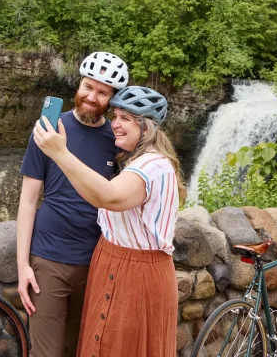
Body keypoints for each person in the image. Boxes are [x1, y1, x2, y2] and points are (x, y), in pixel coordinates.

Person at [32, 85, 184, 357]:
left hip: (137, 274)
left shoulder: (153, 165)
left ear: (146, 129)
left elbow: (109, 197)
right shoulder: (135, 161)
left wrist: (60, 153)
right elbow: (95, 194)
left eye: (125, 119)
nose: (115, 125)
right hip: (111, 263)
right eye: (115, 117)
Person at [17, 51, 130, 357]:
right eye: (87, 87)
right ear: (78, 86)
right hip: (48, 259)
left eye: (103, 92)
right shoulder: (48, 128)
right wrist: (23, 266)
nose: (92, 97)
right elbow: (28, 200)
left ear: (113, 99)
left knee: (82, 349)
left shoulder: (117, 139)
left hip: (97, 262)